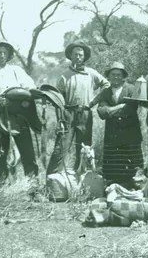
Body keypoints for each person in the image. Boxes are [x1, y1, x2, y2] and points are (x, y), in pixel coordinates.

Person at [0, 40, 38, 187]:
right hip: (1, 118)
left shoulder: (16, 71)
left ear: (8, 54)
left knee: (27, 152)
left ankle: (33, 186)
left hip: (20, 117)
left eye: (4, 52)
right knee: (2, 153)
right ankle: (3, 186)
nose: (2, 55)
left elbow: (30, 88)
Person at [47, 40, 110, 173]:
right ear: (71, 56)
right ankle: (52, 177)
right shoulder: (64, 76)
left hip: (85, 114)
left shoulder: (91, 73)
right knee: (61, 146)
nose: (78, 57)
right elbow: (58, 100)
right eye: (75, 54)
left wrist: (96, 100)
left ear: (84, 57)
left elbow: (106, 85)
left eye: (81, 55)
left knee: (85, 148)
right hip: (68, 114)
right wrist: (60, 120)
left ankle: (81, 176)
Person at [96, 62, 144, 189]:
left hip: (130, 132)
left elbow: (130, 109)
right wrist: (119, 106)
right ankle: (113, 187)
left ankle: (133, 188)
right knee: (113, 163)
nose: (116, 77)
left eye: (119, 75)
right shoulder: (105, 92)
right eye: (113, 74)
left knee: (133, 162)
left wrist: (110, 110)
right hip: (113, 133)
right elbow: (101, 112)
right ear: (108, 76)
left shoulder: (132, 89)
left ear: (123, 77)